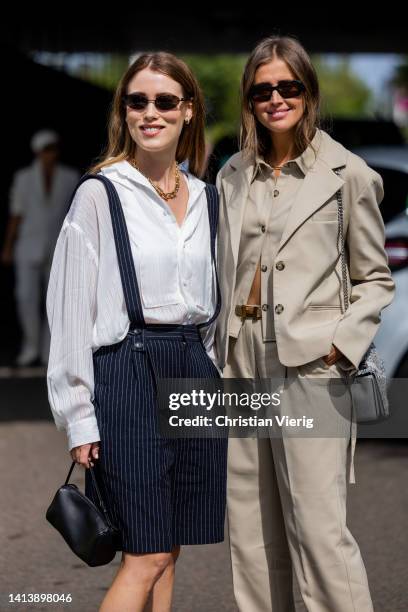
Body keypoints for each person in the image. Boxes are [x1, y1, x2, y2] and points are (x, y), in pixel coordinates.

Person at [216, 35, 395, 612]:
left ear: (308, 92)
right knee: (251, 531)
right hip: (240, 360)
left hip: (312, 365)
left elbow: (376, 278)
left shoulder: (349, 174)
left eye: (287, 87)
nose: (275, 99)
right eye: (262, 89)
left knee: (318, 533)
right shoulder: (231, 175)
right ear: (250, 99)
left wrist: (342, 347)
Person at [46, 52, 227, 612]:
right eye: (137, 101)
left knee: (169, 548)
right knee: (144, 553)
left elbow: (213, 307)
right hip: (128, 370)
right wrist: (78, 412)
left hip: (193, 369)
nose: (151, 112)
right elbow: (70, 309)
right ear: (123, 112)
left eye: (165, 101)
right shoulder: (100, 194)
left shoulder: (206, 198)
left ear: (188, 111)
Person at [1, 130, 79, 366]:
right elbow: (16, 213)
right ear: (37, 152)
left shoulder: (69, 176)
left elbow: (75, 213)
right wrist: (8, 246)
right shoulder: (24, 178)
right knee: (25, 296)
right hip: (28, 245)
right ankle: (31, 346)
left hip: (58, 245)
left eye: (53, 148)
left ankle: (49, 350)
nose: (50, 154)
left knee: (54, 299)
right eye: (46, 149)